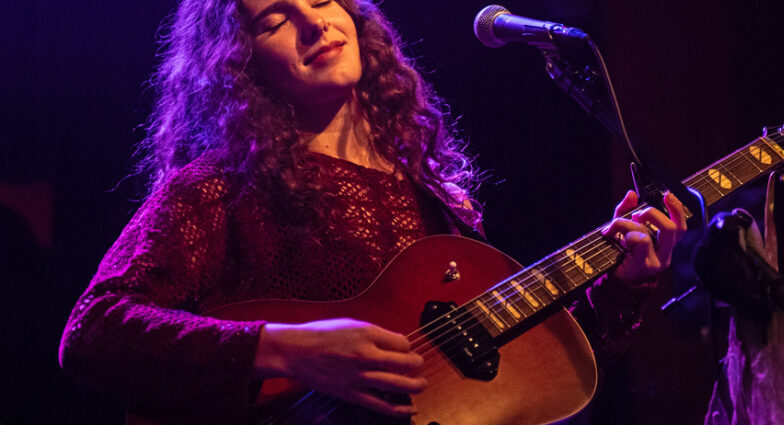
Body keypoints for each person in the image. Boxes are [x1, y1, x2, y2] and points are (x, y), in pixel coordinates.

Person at [58, 0, 687, 423]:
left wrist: (624, 283)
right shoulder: (219, 187)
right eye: (276, 18)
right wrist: (285, 350)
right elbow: (93, 331)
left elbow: (515, 374)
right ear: (237, 61)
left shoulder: (438, 198)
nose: (315, 24)